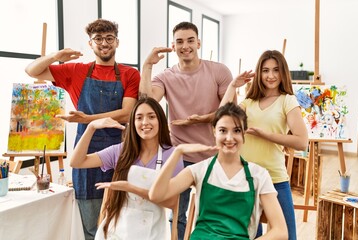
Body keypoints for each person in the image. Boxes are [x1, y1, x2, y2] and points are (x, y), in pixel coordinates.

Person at [25, 19, 140, 239]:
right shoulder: (76, 71)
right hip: (86, 151)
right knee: (91, 224)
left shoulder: (129, 74)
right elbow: (32, 71)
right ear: (90, 44)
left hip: (122, 151)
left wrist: (88, 118)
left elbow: (127, 113)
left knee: (123, 220)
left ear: (117, 42)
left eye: (109, 38)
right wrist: (55, 57)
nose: (104, 43)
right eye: (98, 39)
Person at [140, 21, 246, 239]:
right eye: (179, 41)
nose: (185, 46)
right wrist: (147, 66)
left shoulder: (219, 71)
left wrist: (203, 119)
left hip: (214, 155)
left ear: (198, 42)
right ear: (173, 45)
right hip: (180, 155)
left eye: (190, 40)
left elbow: (229, 111)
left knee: (213, 213)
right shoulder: (166, 76)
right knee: (177, 214)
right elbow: (147, 102)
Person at [149, 102, 288, 240]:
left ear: (244, 133)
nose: (229, 138)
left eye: (237, 130)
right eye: (223, 130)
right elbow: (156, 195)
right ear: (214, 131)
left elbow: (280, 231)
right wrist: (177, 153)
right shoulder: (200, 170)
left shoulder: (259, 175)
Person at [220, 50, 309, 239]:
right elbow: (222, 117)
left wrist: (266, 135)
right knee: (251, 234)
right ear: (259, 73)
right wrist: (232, 86)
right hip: (245, 179)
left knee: (287, 235)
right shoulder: (249, 102)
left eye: (276, 70)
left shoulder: (287, 100)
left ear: (283, 72)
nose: (270, 76)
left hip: (275, 178)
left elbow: (302, 141)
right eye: (265, 70)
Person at [70, 97, 184, 239]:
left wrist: (131, 188)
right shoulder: (121, 151)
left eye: (151, 117)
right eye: (139, 118)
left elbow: (172, 203)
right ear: (133, 123)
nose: (145, 122)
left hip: (152, 230)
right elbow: (77, 162)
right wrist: (91, 127)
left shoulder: (172, 155)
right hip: (118, 228)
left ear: (160, 120)